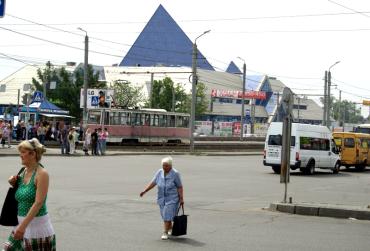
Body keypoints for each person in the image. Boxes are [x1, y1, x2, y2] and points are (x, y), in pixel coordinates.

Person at [3, 138, 56, 250]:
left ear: (33, 154)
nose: (20, 155)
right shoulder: (23, 171)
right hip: (20, 223)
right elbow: (23, 195)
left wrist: (22, 227)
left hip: (36, 228)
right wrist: (13, 183)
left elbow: (38, 203)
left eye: (23, 152)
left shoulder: (42, 174)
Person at [140, 156, 184, 240]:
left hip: (172, 198)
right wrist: (145, 191)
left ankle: (165, 232)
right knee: (164, 215)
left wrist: (181, 198)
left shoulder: (175, 173)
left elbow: (179, 186)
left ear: (171, 166)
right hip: (161, 198)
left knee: (167, 214)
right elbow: (153, 182)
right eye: (163, 165)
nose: (164, 167)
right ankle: (170, 228)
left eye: (166, 165)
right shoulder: (160, 172)